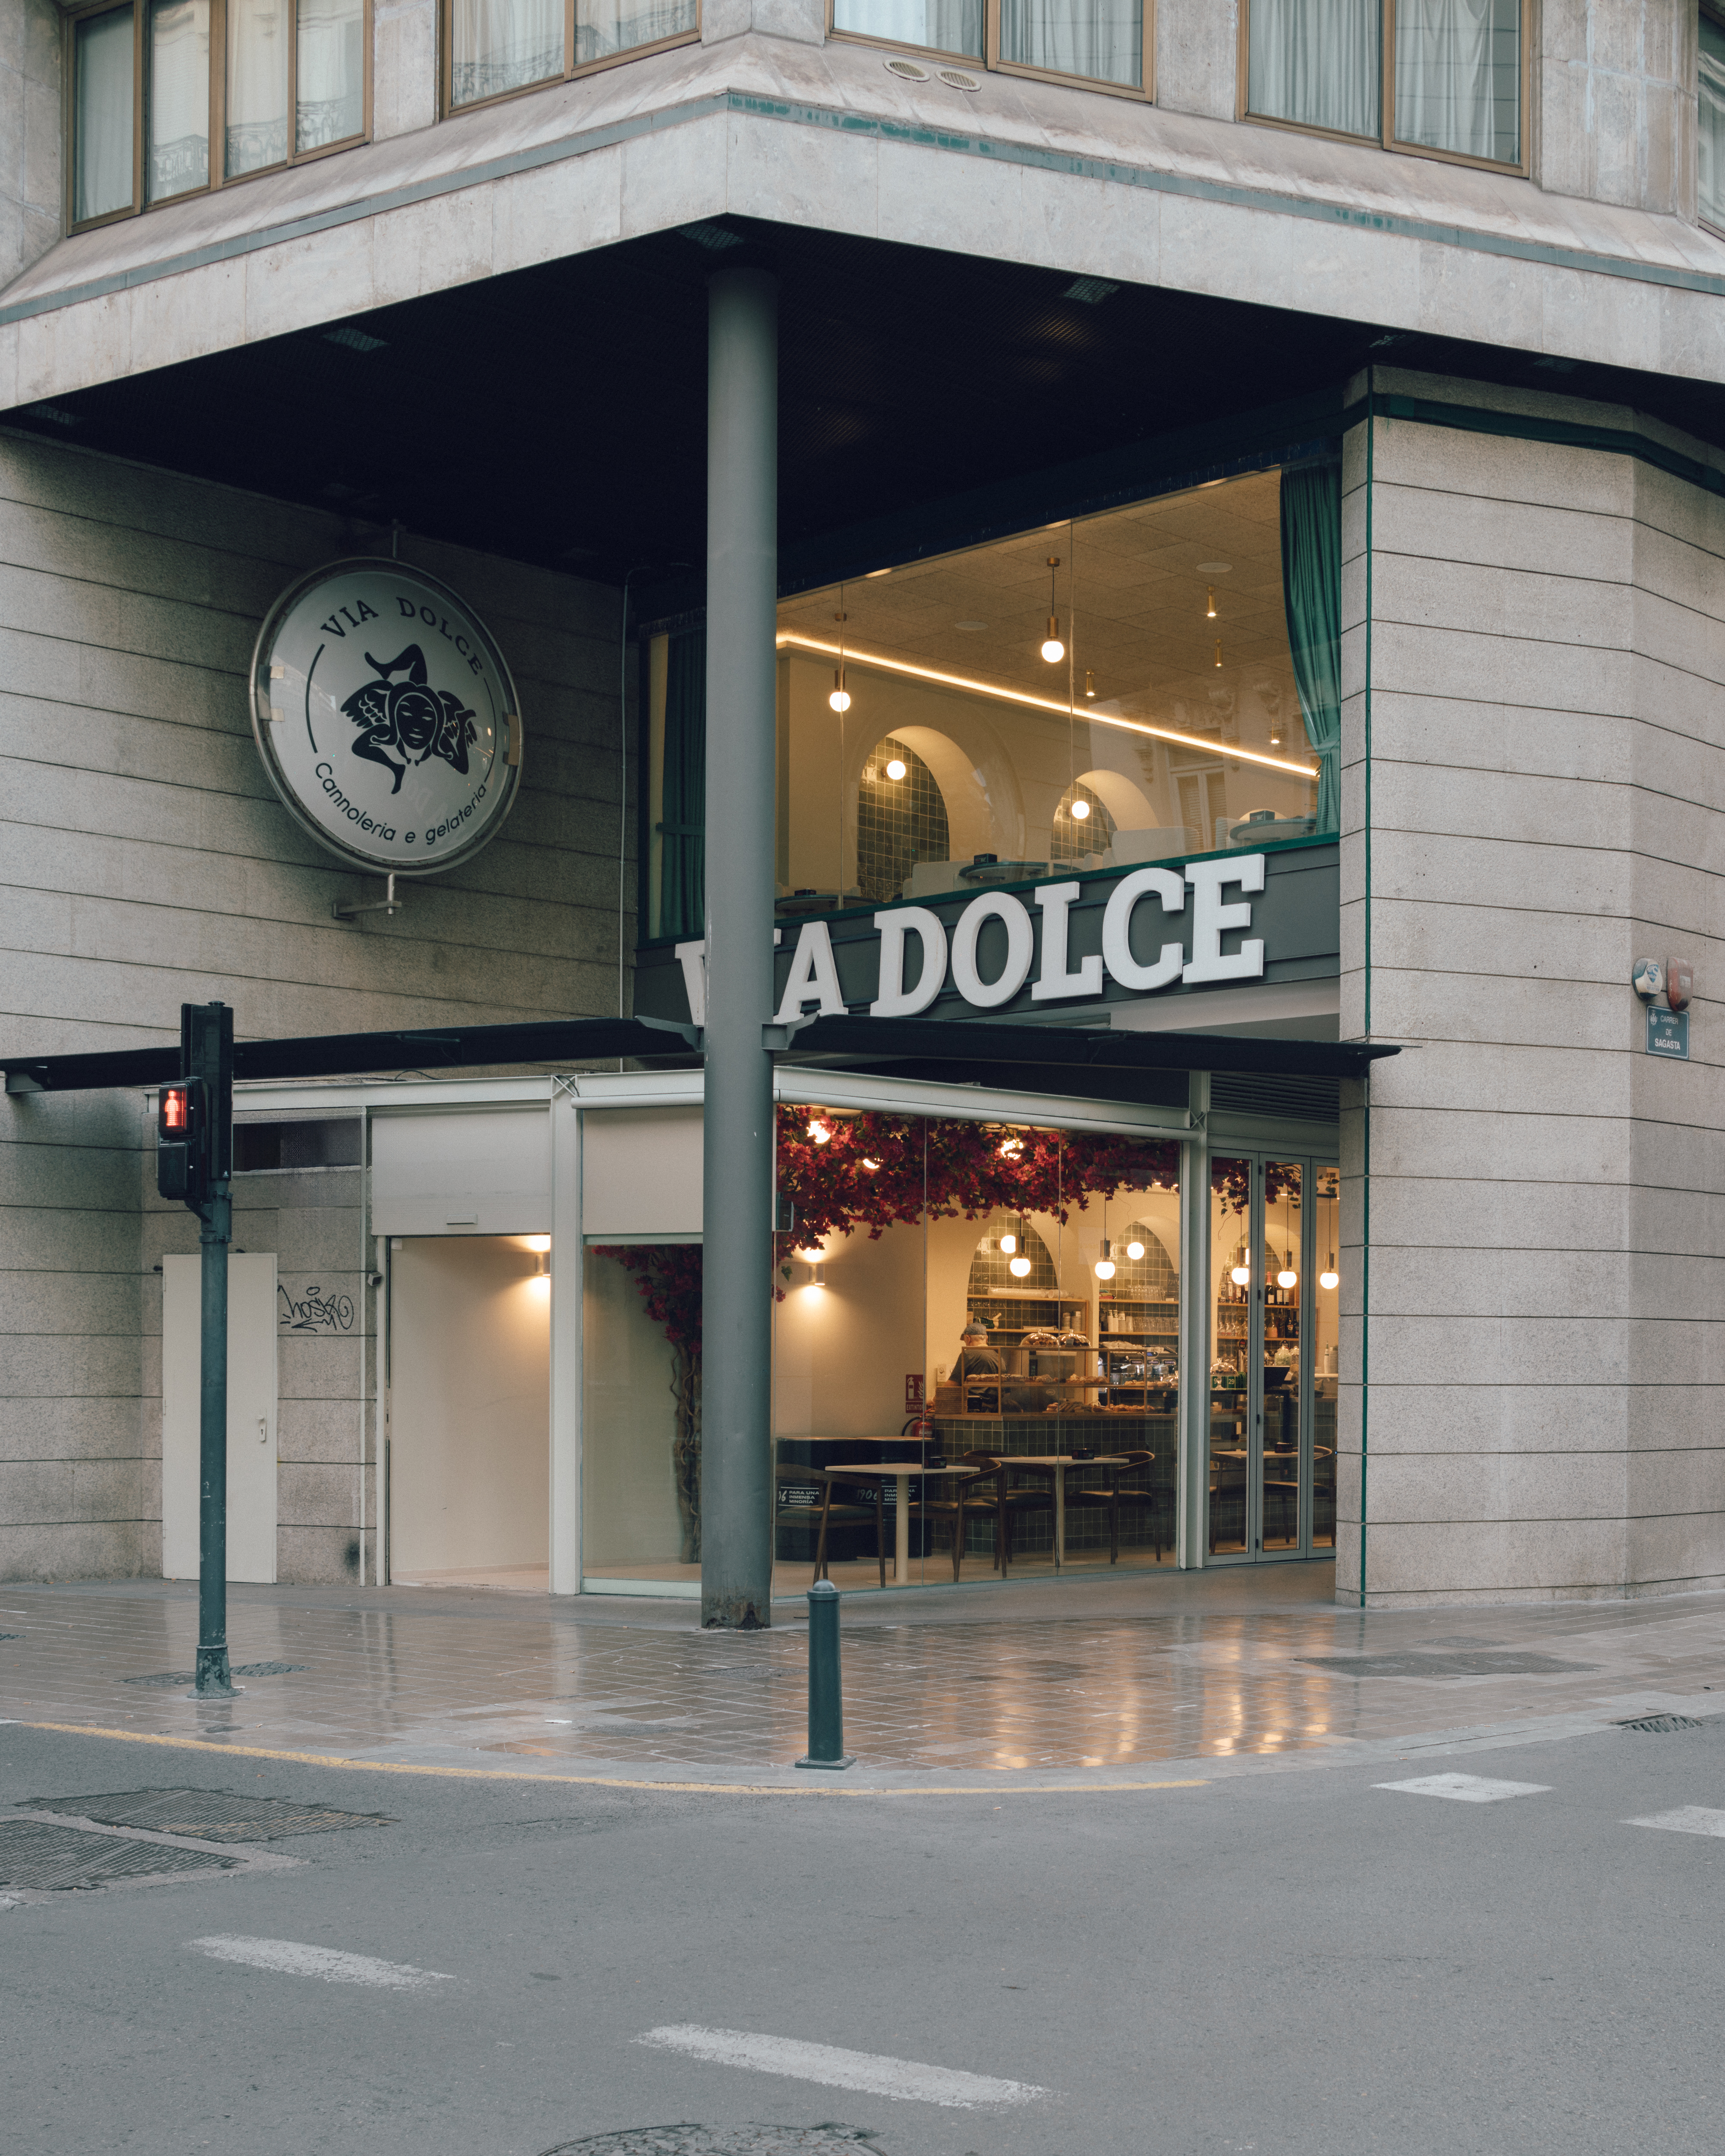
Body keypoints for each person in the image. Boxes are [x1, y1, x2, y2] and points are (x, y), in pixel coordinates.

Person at [956, 1322, 1055, 1415]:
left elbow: (953, 1385)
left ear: (968, 1339)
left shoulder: (967, 1354)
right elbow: (1007, 1392)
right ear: (987, 1338)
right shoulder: (998, 1357)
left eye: (965, 1341)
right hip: (996, 1412)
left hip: (974, 1411)